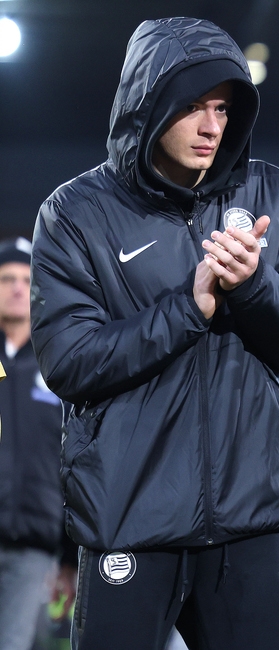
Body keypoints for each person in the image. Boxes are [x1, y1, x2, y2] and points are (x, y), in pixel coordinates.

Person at [28, 17, 279, 650]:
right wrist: (188, 308)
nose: (211, 127)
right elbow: (69, 360)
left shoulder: (272, 193)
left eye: (223, 108)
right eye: (193, 107)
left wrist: (254, 287)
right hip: (128, 517)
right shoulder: (75, 212)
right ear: (147, 106)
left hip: (251, 523)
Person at [0, 237, 76, 650]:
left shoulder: (60, 363)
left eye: (25, 280)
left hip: (34, 547)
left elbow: (75, 463)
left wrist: (70, 558)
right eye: (6, 278)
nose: (15, 287)